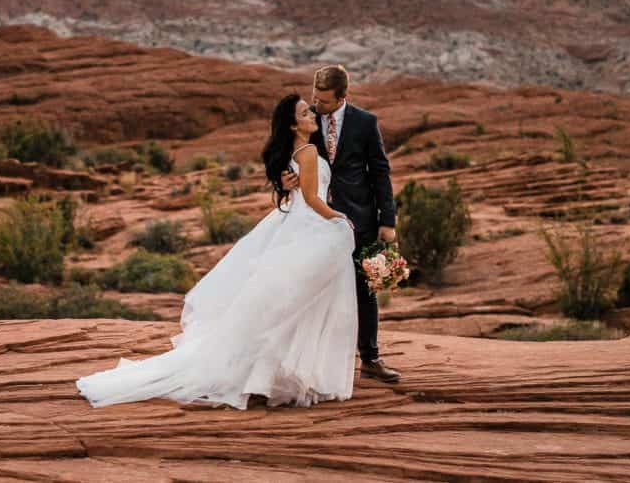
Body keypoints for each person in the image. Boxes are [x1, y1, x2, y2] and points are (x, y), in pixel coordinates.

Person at [75, 93, 358, 409]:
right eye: (305, 112)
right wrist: (340, 218)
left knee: (289, 303)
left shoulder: (299, 152)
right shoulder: (306, 152)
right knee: (298, 303)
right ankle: (286, 376)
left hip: (299, 224)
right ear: (293, 125)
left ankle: (276, 376)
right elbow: (313, 198)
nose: (311, 114)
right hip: (311, 226)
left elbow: (301, 194)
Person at [280, 64, 401, 383]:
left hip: (357, 218)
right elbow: (283, 156)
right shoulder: (307, 121)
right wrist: (284, 178)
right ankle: (304, 363)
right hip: (315, 220)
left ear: (343, 96)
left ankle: (371, 359)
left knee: (364, 289)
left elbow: (380, 172)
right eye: (314, 99)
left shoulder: (365, 123)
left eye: (325, 101)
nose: (317, 106)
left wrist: (387, 220)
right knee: (311, 288)